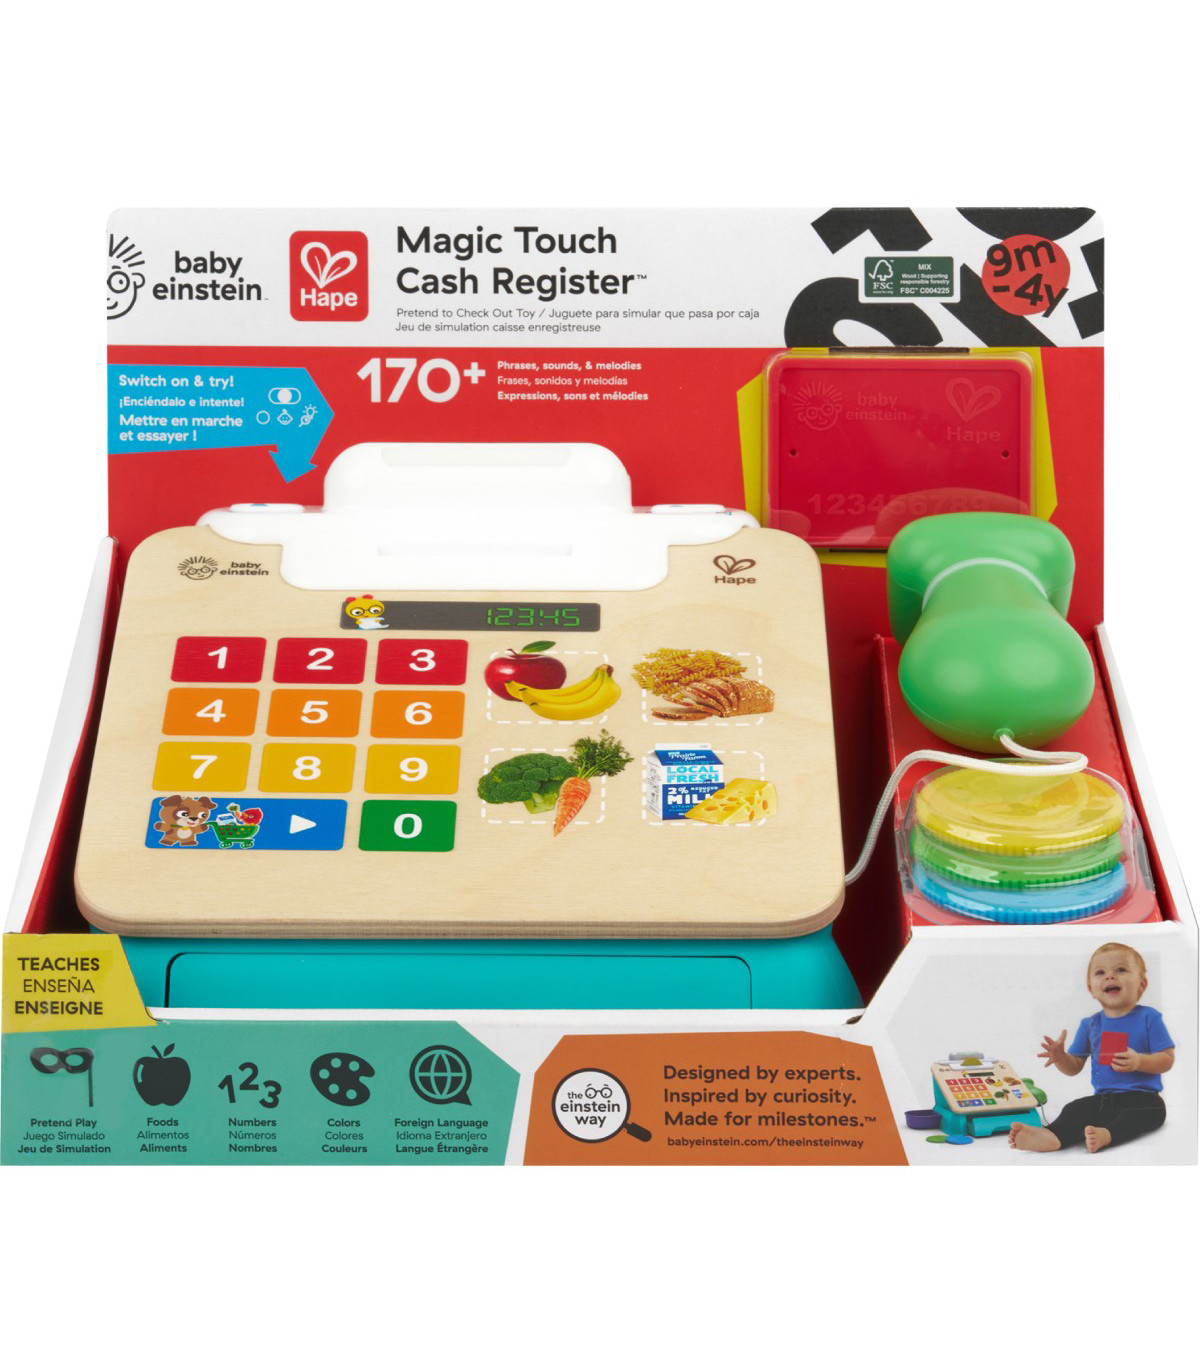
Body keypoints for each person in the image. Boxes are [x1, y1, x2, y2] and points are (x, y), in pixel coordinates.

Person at [1010, 942, 1174, 1154]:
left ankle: (1108, 1134)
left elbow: (1167, 1058)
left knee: (1151, 1112)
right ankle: (1052, 1135)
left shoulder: (1149, 1018)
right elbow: (1074, 1067)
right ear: (1091, 990)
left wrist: (1140, 1061)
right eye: (1100, 972)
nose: (1110, 976)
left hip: (1142, 1098)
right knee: (1075, 1108)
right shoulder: (1090, 1025)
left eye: (1121, 970)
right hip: (1103, 1101)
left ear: (1141, 985)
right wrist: (1061, 1058)